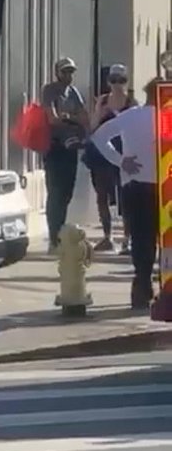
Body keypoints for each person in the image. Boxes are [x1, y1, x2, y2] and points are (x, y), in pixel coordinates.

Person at [88, 78, 159, 312]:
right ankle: (161, 289)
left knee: (141, 239)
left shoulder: (131, 116)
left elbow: (99, 137)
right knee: (164, 241)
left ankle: (141, 290)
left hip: (134, 186)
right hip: (163, 190)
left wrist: (120, 161)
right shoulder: (166, 118)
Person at [85, 63, 137, 254]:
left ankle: (127, 239)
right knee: (102, 197)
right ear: (108, 82)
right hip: (101, 155)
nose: (117, 84)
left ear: (126, 81)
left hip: (124, 155)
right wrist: (99, 112)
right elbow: (91, 128)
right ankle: (108, 237)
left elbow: (137, 130)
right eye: (113, 80)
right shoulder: (102, 101)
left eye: (121, 80)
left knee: (126, 198)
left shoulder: (132, 104)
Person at [41, 57, 89, 251]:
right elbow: (52, 118)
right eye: (65, 72)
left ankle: (60, 231)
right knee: (55, 191)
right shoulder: (50, 91)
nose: (68, 76)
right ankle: (54, 237)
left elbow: (85, 117)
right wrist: (73, 120)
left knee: (67, 192)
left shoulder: (73, 92)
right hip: (54, 147)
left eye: (70, 72)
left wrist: (69, 118)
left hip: (71, 147)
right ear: (57, 72)